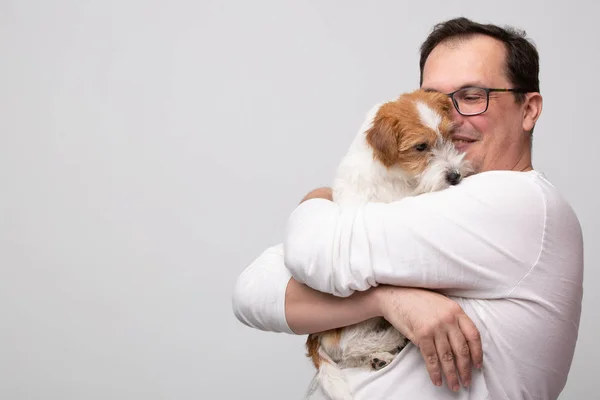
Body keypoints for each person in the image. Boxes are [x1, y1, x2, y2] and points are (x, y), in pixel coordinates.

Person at [232, 17, 584, 400]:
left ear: (528, 109)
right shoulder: (435, 202)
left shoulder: (519, 203)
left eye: (471, 96)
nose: (448, 117)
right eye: (434, 96)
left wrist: (318, 197)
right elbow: (252, 292)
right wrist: (387, 299)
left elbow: (313, 253)